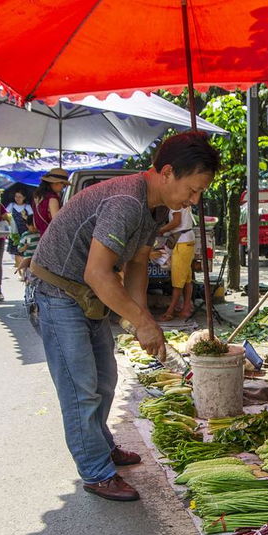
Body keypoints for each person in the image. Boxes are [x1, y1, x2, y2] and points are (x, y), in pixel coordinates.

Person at [31, 131, 220, 501]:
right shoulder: (125, 202)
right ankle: (96, 471)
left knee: (104, 379)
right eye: (193, 190)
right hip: (57, 294)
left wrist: (139, 318)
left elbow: (136, 265)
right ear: (167, 172)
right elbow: (98, 274)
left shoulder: (158, 207)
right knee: (80, 387)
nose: (194, 200)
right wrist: (145, 324)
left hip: (87, 296)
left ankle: (99, 445)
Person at [159, 206, 196, 320]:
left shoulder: (175, 203)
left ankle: (170, 311)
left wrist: (161, 230)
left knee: (178, 280)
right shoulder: (183, 201)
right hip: (187, 240)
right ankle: (186, 309)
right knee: (186, 278)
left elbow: (176, 221)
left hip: (182, 242)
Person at [32, 167, 68, 236]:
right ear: (56, 183)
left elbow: (35, 225)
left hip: (42, 239)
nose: (63, 187)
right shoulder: (52, 199)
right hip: (53, 239)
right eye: (64, 185)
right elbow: (57, 223)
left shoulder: (37, 198)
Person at [6, 188, 33, 277]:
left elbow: (31, 219)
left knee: (24, 252)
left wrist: (25, 217)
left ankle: (24, 271)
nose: (17, 198)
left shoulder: (27, 207)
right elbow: (6, 215)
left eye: (20, 197)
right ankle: (21, 273)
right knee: (17, 252)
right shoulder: (11, 205)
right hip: (14, 232)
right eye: (16, 196)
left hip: (24, 232)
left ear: (24, 197)